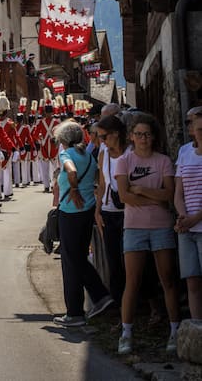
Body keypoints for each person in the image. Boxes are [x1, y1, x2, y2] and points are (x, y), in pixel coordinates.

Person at [115, 112, 179, 355]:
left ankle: (175, 331)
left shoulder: (163, 161)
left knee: (168, 279)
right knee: (132, 281)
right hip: (134, 227)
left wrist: (140, 190)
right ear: (131, 136)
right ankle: (126, 333)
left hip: (161, 226)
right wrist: (155, 199)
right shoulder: (124, 161)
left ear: (153, 137)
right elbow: (124, 196)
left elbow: (169, 194)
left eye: (147, 135)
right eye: (139, 134)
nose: (143, 139)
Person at [52, 119, 113, 328]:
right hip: (87, 211)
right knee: (78, 258)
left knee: (70, 262)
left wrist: (74, 188)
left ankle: (75, 312)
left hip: (70, 212)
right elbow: (97, 177)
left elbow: (71, 171)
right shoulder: (87, 155)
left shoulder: (66, 154)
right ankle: (100, 296)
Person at [94, 114, 128, 308]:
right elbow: (102, 184)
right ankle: (118, 304)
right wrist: (97, 211)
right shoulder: (103, 154)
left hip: (129, 211)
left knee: (129, 260)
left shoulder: (130, 153)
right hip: (108, 211)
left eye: (104, 136)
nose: (102, 141)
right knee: (113, 261)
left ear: (116, 134)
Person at [174, 109, 202, 319]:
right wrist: (183, 216)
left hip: (198, 223)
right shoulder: (184, 153)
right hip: (187, 228)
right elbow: (178, 192)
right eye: (198, 128)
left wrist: (196, 218)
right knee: (192, 280)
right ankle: (196, 325)